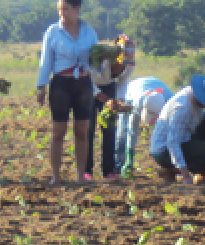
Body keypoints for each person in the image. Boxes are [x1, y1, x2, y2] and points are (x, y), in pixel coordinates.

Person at [35, 0, 98, 184]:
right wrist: (42, 87)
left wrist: (103, 59)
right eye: (60, 9)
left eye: (66, 9)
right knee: (58, 132)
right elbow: (45, 61)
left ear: (76, 9)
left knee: (82, 131)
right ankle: (56, 175)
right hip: (61, 84)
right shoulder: (53, 31)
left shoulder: (89, 32)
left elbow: (95, 62)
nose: (62, 13)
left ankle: (80, 176)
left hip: (83, 84)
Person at [149, 73, 205, 184]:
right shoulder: (182, 107)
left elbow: (198, 117)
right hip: (164, 151)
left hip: (185, 138)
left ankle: (203, 172)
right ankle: (172, 170)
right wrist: (186, 176)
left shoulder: (193, 97)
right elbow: (172, 142)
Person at [86, 34, 134, 181]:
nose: (120, 69)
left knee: (110, 129)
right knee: (89, 129)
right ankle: (86, 170)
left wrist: (118, 101)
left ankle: (108, 171)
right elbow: (88, 79)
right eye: (119, 66)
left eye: (123, 66)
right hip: (89, 86)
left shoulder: (128, 65)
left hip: (109, 87)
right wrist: (105, 99)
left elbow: (123, 83)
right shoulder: (99, 59)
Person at [114, 76, 171, 177]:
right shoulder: (137, 103)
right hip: (131, 91)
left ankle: (170, 167)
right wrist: (130, 160)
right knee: (123, 130)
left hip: (155, 83)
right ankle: (120, 165)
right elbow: (132, 131)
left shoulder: (170, 101)